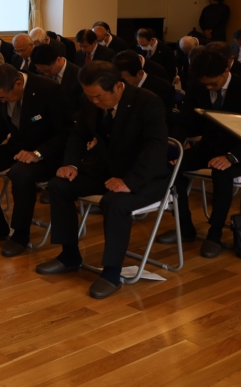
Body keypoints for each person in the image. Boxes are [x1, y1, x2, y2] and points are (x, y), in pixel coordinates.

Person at [35, 62, 169, 299]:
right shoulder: (90, 99)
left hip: (144, 176)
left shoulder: (147, 102)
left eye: (98, 96)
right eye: (89, 96)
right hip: (106, 169)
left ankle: (112, 272)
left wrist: (130, 182)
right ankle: (69, 255)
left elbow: (155, 148)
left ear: (118, 86)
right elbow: (78, 134)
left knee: (114, 202)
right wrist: (71, 164)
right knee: (59, 186)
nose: (94, 101)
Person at [157, 49, 241, 257]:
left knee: (221, 173)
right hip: (210, 147)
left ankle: (215, 234)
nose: (208, 87)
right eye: (205, 84)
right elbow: (186, 122)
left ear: (226, 71)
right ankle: (185, 228)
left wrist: (231, 157)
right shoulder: (197, 85)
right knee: (171, 167)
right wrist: (175, 150)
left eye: (213, 84)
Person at [0, 64, 71, 256]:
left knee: (20, 173)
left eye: (3, 98)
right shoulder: (5, 91)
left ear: (18, 84)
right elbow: (2, 122)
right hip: (17, 148)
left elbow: (65, 132)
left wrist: (38, 153)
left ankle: (21, 234)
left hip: (47, 155)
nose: (1, 101)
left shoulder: (49, 90)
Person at [112, 50, 175, 123]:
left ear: (139, 74)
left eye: (125, 81)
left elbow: (159, 120)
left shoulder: (164, 89)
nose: (121, 85)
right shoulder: (117, 85)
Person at [32, 41, 82, 115]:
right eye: (41, 71)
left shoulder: (79, 76)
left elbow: (81, 108)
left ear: (58, 60)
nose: (45, 74)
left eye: (48, 70)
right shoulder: (43, 71)